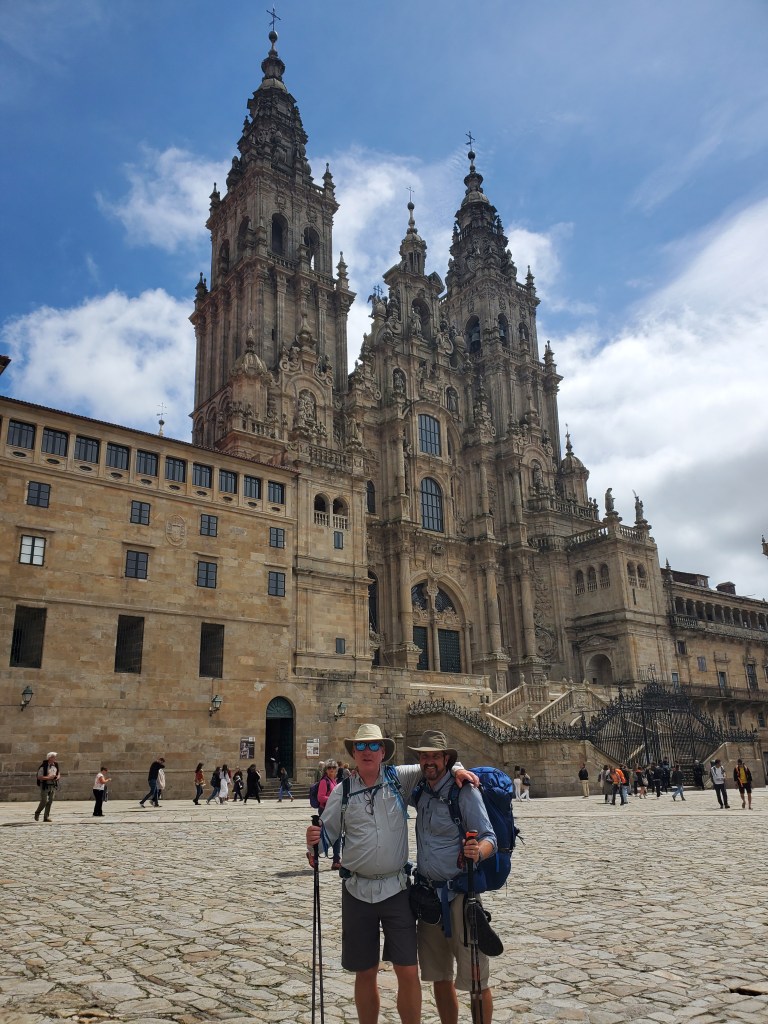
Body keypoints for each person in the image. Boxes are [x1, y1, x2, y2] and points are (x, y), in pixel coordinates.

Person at [305, 724, 475, 1024]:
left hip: (397, 890)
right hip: (356, 891)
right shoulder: (342, 792)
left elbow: (434, 764)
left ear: (383, 751)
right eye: (361, 746)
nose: (367, 752)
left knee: (407, 970)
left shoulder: (400, 778)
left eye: (373, 746)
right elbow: (326, 838)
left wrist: (459, 769)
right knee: (365, 971)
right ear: (353, 753)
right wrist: (314, 841)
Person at [408, 730, 499, 1024]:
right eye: (424, 756)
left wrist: (478, 852)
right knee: (439, 976)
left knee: (476, 979)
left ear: (446, 758)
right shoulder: (420, 791)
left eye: (435, 756)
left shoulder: (465, 791)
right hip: (428, 899)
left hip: (461, 896)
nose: (429, 761)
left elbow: (490, 838)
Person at [316, 759, 341, 868]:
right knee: (327, 835)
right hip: (325, 811)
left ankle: (336, 860)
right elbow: (320, 797)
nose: (331, 770)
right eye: (329, 768)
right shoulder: (324, 781)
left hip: (333, 810)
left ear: (336, 769)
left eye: (333, 768)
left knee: (336, 834)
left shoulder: (334, 781)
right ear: (326, 770)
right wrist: (334, 799)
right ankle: (312, 853)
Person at [34, 752, 60, 822]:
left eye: (55, 757)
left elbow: (58, 773)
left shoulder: (56, 765)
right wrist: (49, 778)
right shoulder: (43, 766)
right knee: (44, 801)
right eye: (53, 757)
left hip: (53, 785)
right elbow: (39, 776)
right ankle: (37, 813)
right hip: (45, 785)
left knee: (50, 801)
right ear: (49, 758)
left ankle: (46, 817)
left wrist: (57, 777)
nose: (55, 758)